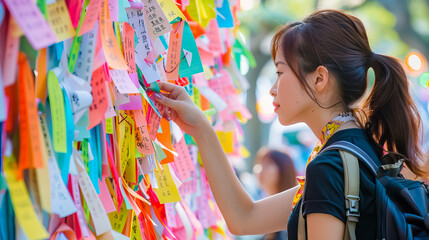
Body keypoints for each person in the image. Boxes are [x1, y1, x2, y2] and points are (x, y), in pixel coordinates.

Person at [153, 9, 428, 240]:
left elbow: (244, 219)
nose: (273, 89)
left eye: (281, 72)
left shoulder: (330, 166)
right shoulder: (358, 150)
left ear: (319, 79)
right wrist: (201, 129)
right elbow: (245, 218)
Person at [253, 147, 297, 240]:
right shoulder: (263, 205)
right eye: (259, 164)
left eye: (268, 163)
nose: (260, 169)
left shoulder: (293, 209)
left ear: (283, 169)